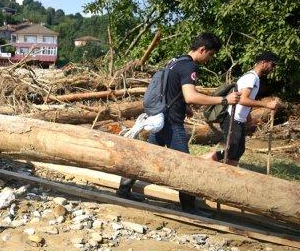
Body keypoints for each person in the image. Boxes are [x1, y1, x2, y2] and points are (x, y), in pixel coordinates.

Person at [116, 33, 240, 217]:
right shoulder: (189, 66)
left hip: (162, 118)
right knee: (186, 165)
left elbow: (173, 89)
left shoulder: (175, 61)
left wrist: (185, 107)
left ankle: (124, 189)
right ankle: (189, 207)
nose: (210, 58)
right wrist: (224, 100)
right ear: (202, 50)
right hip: (172, 124)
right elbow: (190, 94)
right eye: (211, 54)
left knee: (145, 157)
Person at [205, 52, 282, 166]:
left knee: (238, 151)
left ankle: (230, 175)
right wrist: (266, 105)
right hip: (232, 118)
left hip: (239, 119)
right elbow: (242, 100)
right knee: (231, 150)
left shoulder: (255, 78)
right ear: (264, 63)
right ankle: (206, 159)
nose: (273, 68)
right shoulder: (251, 78)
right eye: (272, 65)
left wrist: (248, 116)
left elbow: (246, 101)